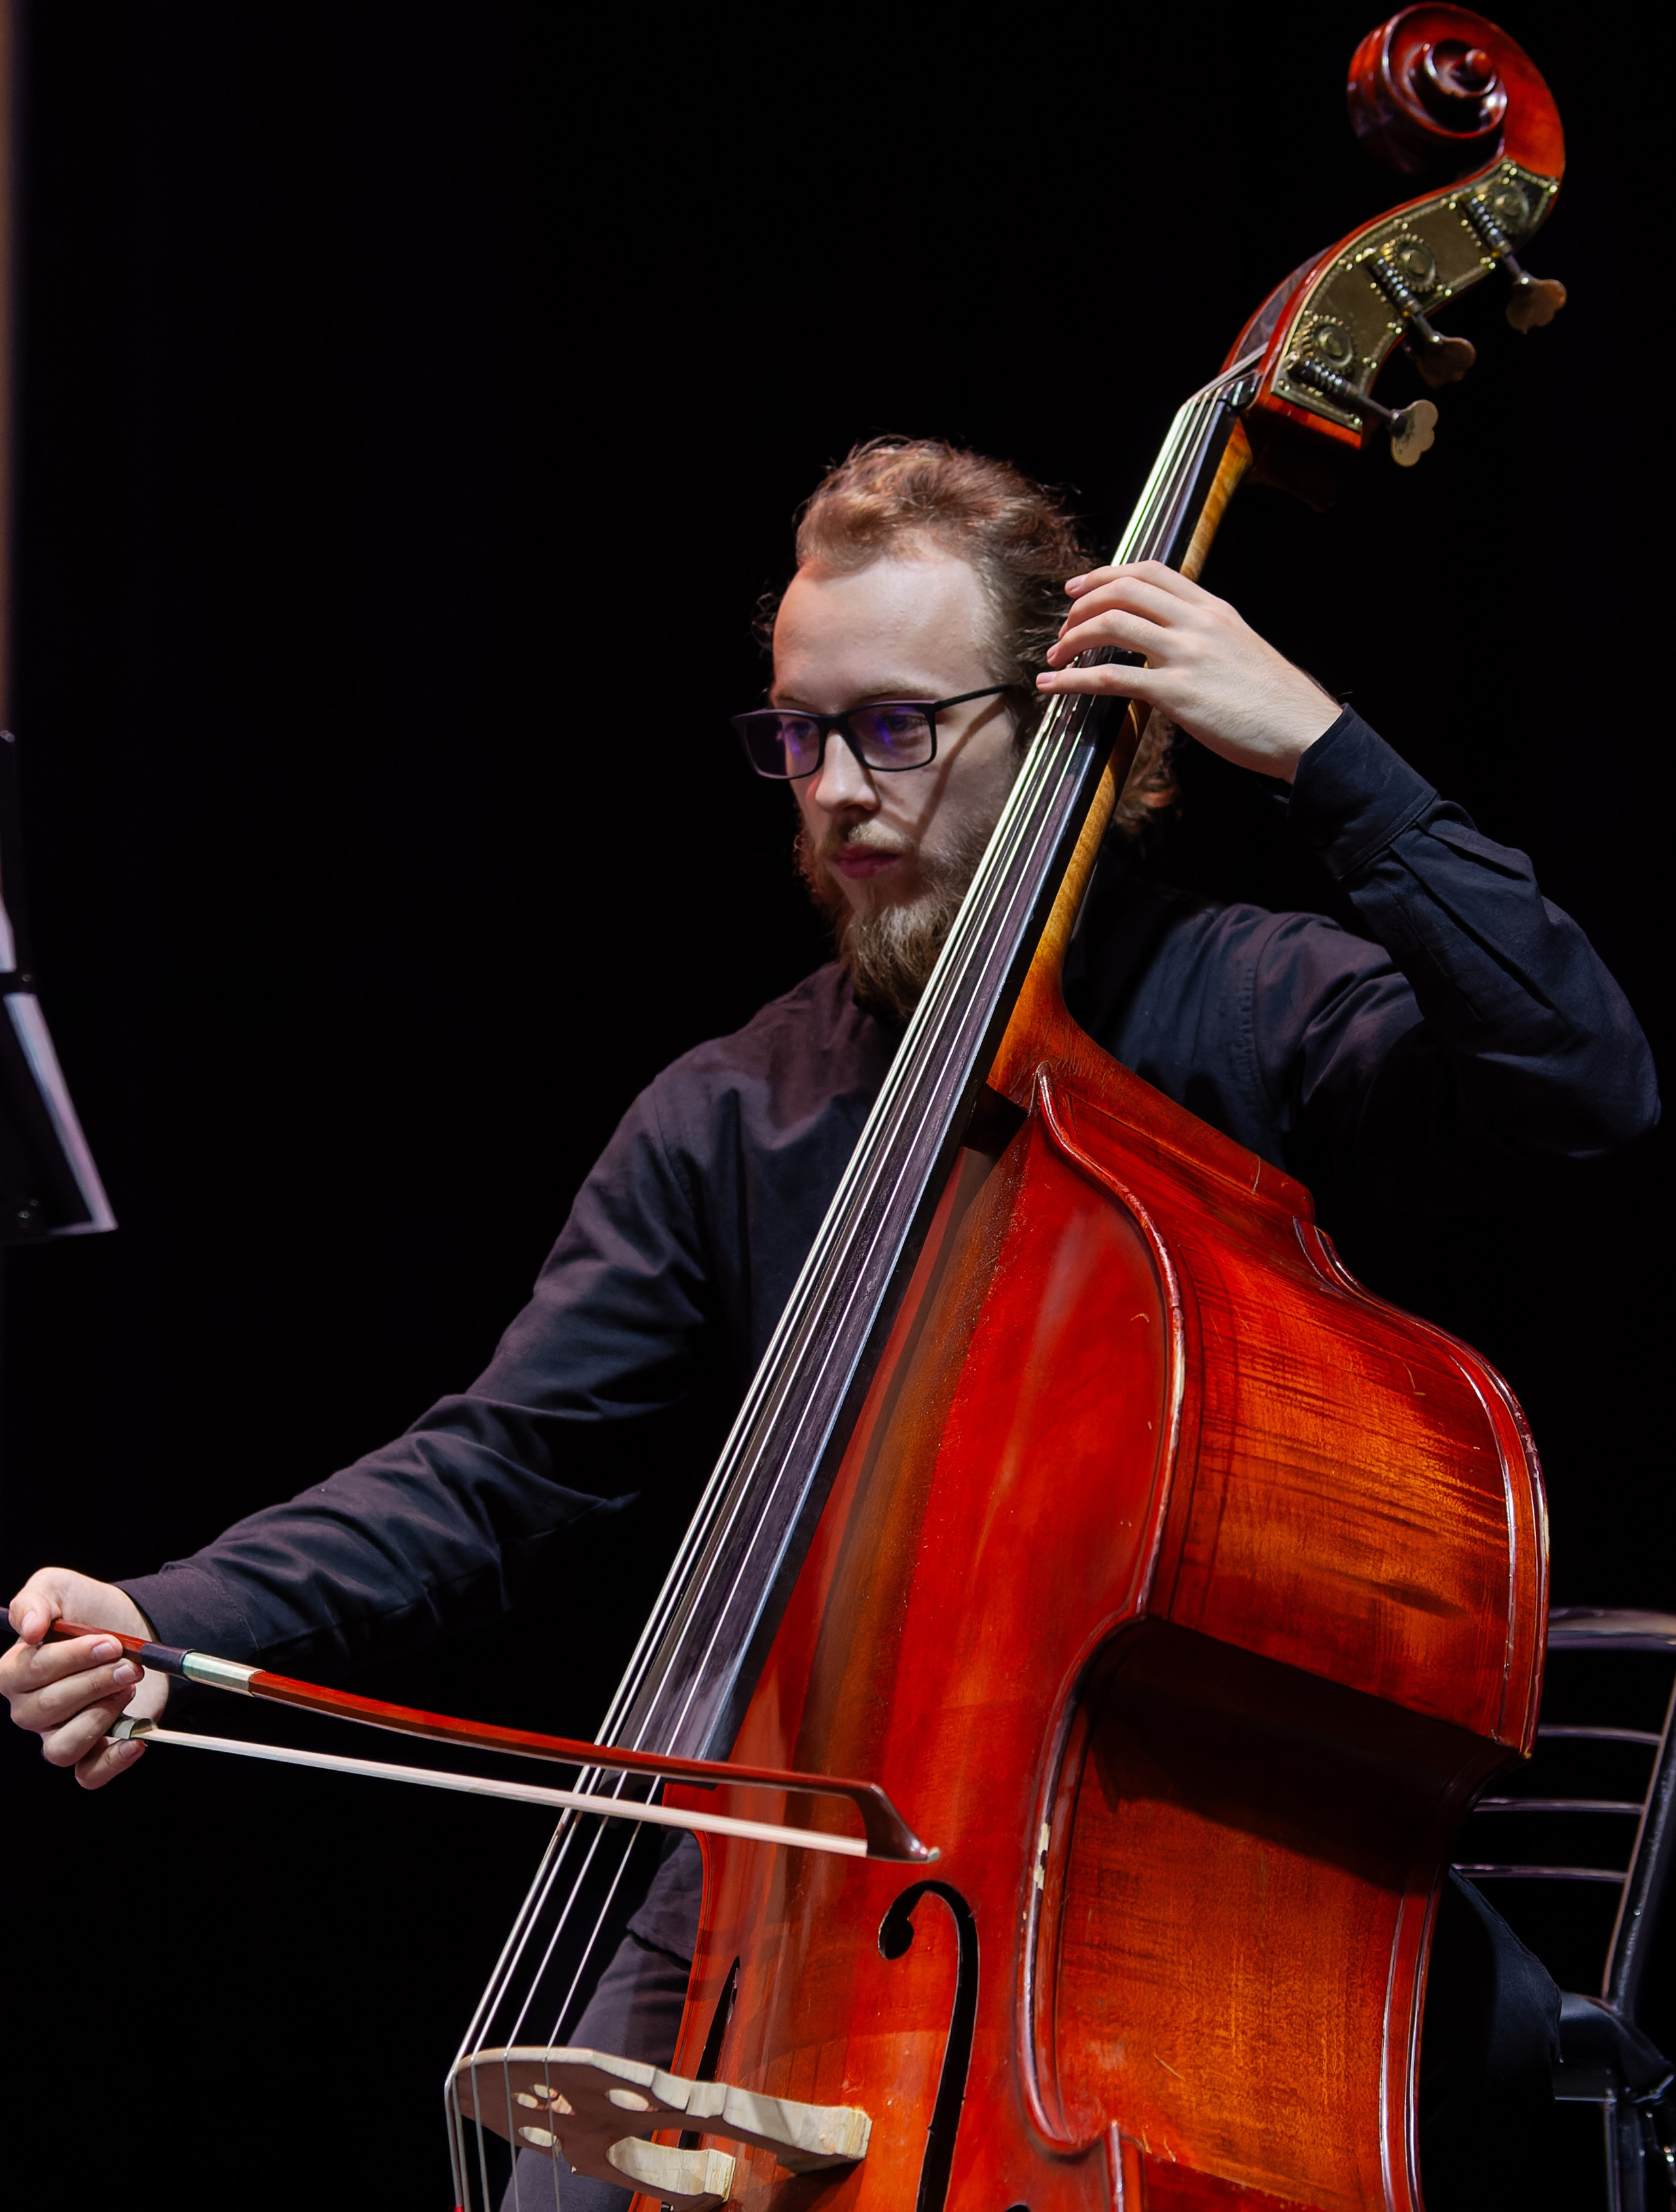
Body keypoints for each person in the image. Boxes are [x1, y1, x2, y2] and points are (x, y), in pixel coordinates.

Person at [3, 439, 1658, 2207]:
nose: (841, 794)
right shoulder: (738, 1112)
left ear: (1071, 722)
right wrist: (173, 1619)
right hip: (806, 1857)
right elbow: (494, 1471)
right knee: (568, 2183)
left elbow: (1579, 1084)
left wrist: (1328, 756)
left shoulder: (1243, 1005)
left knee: (1489, 2085)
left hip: (1183, 1863)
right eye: (800, 735)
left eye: (898, 728)